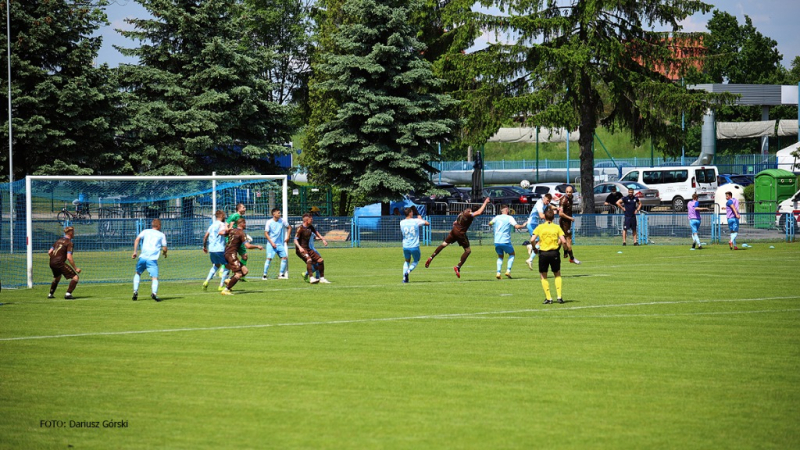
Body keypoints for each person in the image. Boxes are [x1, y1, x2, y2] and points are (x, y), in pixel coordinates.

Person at [425, 197, 491, 278]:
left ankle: (431, 257)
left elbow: (456, 220)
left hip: (454, 230)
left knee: (444, 244)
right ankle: (458, 266)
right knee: (468, 251)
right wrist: (485, 202)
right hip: (460, 233)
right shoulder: (469, 214)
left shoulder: (464, 211)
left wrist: (456, 222)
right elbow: (479, 212)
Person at [533, 209, 568, 304]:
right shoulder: (557, 227)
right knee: (557, 274)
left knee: (543, 275)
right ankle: (559, 297)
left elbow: (532, 239)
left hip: (543, 253)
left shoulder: (540, 227)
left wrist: (534, 248)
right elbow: (564, 241)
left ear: (544, 216)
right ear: (553, 217)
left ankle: (549, 298)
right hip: (554, 253)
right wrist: (565, 251)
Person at [220, 218, 263, 295]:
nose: (246, 225)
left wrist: (229, 228)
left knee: (245, 271)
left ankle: (230, 280)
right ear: (242, 224)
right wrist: (257, 246)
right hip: (231, 255)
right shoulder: (241, 233)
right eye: (245, 223)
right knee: (238, 274)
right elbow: (248, 246)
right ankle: (226, 290)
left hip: (227, 253)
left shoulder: (232, 230)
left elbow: (222, 233)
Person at [132, 219, 168, 302]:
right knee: (154, 278)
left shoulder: (146, 231)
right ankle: (154, 293)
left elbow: (137, 239)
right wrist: (165, 253)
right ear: (159, 226)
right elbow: (164, 247)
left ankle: (135, 291)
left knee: (138, 273)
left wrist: (135, 252)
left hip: (143, 257)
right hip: (152, 259)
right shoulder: (161, 235)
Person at [488, 204, 526, 279]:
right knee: (512, 254)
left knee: (500, 256)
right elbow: (516, 226)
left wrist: (492, 225)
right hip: (505, 240)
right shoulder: (509, 218)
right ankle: (508, 271)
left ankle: (498, 273)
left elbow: (490, 223)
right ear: (506, 210)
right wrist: (523, 225)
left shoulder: (497, 217)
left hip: (497, 241)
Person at [295, 213, 329, 284]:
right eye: (311, 219)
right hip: (301, 249)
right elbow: (295, 240)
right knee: (309, 260)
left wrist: (323, 239)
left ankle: (322, 278)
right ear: (307, 220)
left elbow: (316, 233)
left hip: (308, 248)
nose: (312, 220)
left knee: (320, 260)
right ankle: (311, 278)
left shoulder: (311, 227)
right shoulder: (300, 228)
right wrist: (300, 247)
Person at [48, 226, 81, 299]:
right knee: (75, 277)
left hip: (52, 262)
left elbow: (49, 252)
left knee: (57, 277)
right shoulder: (69, 243)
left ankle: (50, 294)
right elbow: (69, 257)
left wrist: (54, 258)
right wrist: (75, 268)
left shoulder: (58, 240)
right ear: (71, 233)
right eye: (73, 232)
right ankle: (68, 294)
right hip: (59, 262)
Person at [400, 206, 429, 283]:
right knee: (416, 260)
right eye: (411, 212)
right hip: (414, 245)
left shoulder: (401, 222)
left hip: (405, 245)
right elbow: (427, 223)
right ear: (410, 213)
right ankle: (408, 272)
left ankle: (404, 278)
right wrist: (420, 219)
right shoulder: (416, 221)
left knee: (406, 261)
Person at [524, 193, 553, 270]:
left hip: (534, 224)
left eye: (549, 201)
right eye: (547, 201)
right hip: (531, 224)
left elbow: (551, 206)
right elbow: (541, 216)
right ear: (544, 198)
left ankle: (530, 252)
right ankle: (530, 257)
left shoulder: (545, 203)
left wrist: (557, 208)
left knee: (539, 242)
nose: (547, 202)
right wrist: (551, 215)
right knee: (540, 242)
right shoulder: (539, 204)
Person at [202, 210, 229, 291]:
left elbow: (205, 236)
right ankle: (221, 285)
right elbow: (222, 232)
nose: (225, 216)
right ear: (221, 216)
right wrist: (229, 230)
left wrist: (204, 247)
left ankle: (206, 281)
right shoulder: (222, 224)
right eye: (224, 215)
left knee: (216, 265)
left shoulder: (212, 225)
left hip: (212, 249)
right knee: (228, 266)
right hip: (219, 249)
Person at [263, 208, 292, 280]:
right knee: (269, 258)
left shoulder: (282, 221)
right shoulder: (269, 222)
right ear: (274, 214)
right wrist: (272, 242)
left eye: (280, 213)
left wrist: (288, 237)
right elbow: (266, 234)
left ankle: (281, 274)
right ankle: (264, 275)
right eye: (278, 213)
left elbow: (289, 227)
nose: (280, 214)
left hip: (279, 244)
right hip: (271, 244)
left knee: (284, 257)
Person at [226, 203, 250, 281]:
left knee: (245, 256)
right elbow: (226, 225)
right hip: (233, 240)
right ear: (239, 208)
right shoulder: (233, 216)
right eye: (243, 207)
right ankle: (224, 269)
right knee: (231, 256)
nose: (245, 208)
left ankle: (241, 275)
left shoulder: (241, 217)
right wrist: (229, 234)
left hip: (239, 239)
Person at [558, 186, 581, 264]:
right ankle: (572, 258)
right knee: (568, 240)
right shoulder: (564, 200)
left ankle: (557, 253)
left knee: (561, 240)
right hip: (564, 222)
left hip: (567, 222)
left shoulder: (571, 198)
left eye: (570, 192)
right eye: (567, 192)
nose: (568, 193)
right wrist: (570, 218)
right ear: (565, 191)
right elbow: (560, 213)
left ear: (572, 192)